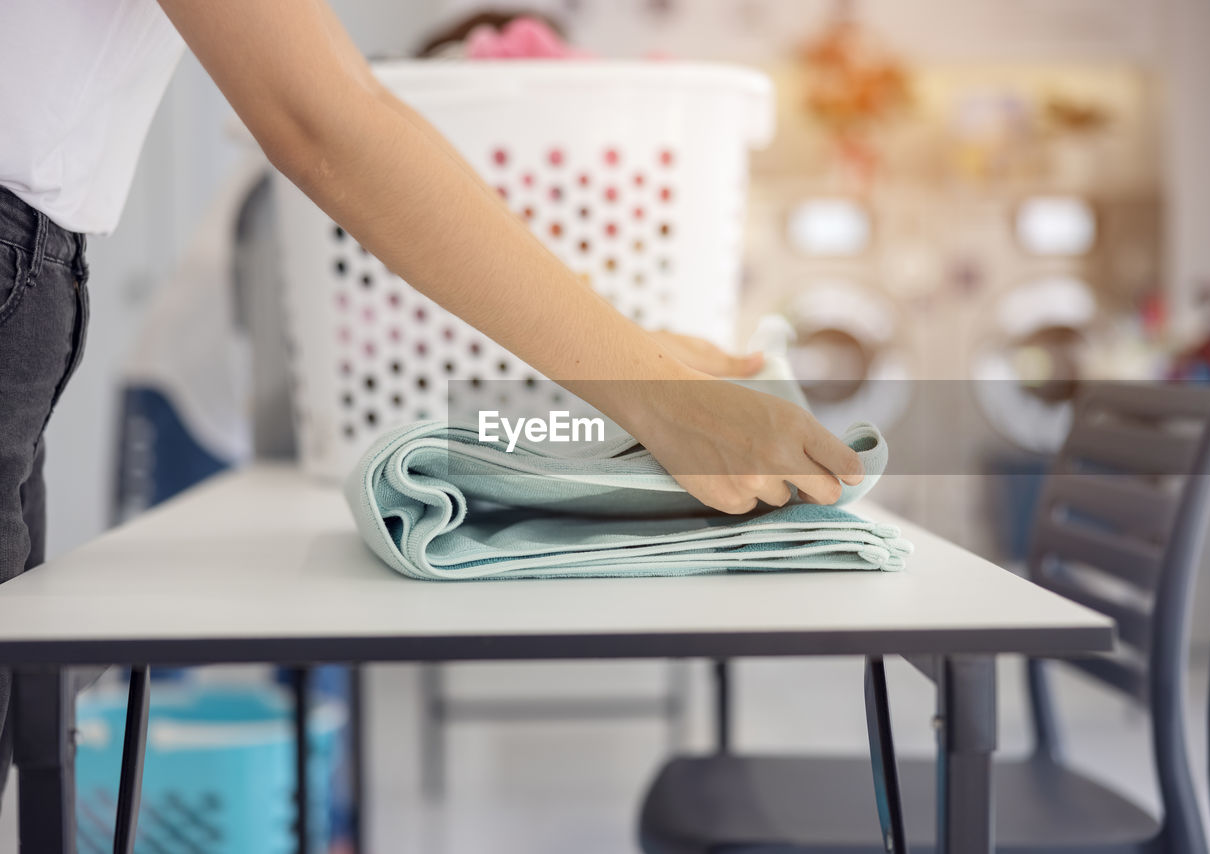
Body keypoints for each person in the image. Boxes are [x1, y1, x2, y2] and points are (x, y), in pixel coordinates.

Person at [0, 0, 864, 799]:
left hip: (40, 265)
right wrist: (661, 393)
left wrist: (645, 355)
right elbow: (326, 121)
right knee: (144, 655)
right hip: (156, 360)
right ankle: (185, 802)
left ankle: (290, 800)